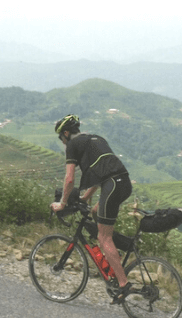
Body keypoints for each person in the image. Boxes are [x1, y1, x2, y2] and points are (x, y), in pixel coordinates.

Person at [49, 114, 134, 304]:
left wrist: (62, 203)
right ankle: (115, 255)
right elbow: (101, 173)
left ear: (66, 133)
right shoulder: (96, 139)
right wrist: (86, 197)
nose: (62, 142)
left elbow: (70, 179)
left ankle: (123, 284)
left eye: (60, 138)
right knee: (96, 213)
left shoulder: (73, 145)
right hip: (123, 183)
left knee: (104, 237)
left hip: (112, 185)